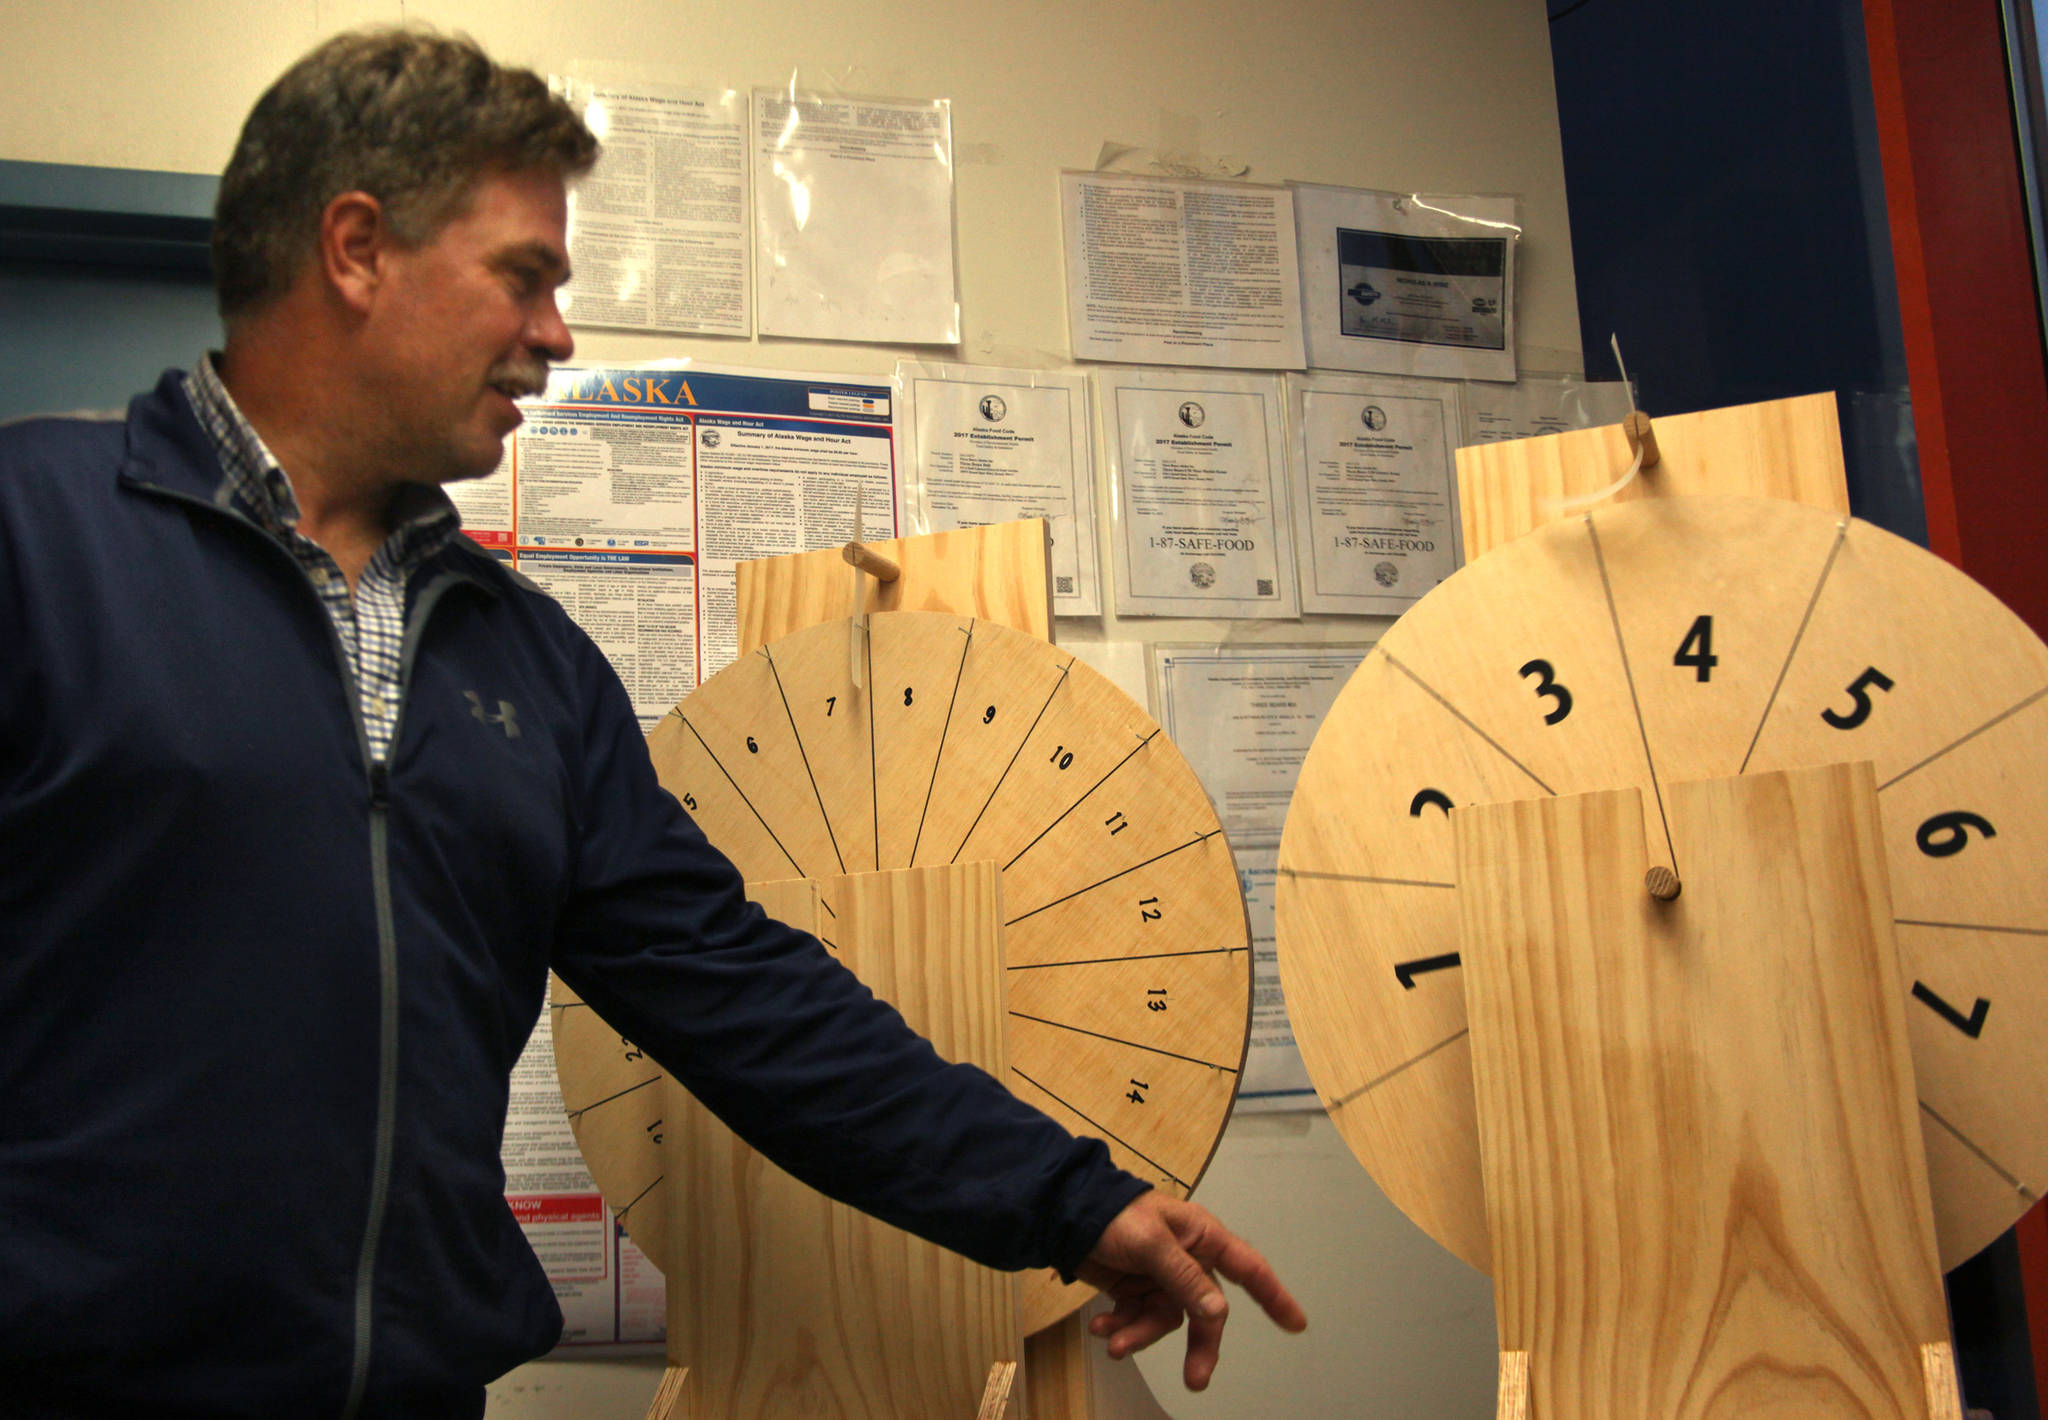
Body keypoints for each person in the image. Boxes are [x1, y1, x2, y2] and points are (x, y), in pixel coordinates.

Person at [0, 28, 1304, 1417]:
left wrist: (1075, 1203)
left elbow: (749, 1001)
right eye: (526, 277)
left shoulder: (528, 664)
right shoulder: (35, 541)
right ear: (359, 248)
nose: (557, 335)